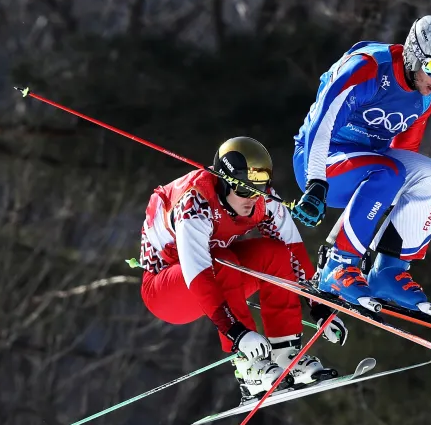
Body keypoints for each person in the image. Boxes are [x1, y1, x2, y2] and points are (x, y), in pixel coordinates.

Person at [138, 136, 346, 402]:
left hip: (220, 276)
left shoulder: (263, 200)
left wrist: (320, 308)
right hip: (167, 292)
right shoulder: (195, 204)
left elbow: (293, 252)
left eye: (260, 189)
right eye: (246, 190)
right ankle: (249, 367)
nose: (253, 199)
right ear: (226, 183)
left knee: (275, 254)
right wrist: (236, 332)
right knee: (221, 259)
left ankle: (286, 355)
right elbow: (199, 275)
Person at [290, 15, 431, 317]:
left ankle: (388, 271)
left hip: (369, 167)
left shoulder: (425, 97)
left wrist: (385, 201)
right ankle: (339, 265)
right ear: (414, 54)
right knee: (389, 172)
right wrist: (316, 183)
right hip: (320, 159)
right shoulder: (367, 68)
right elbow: (321, 125)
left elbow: (405, 153)